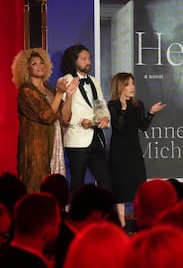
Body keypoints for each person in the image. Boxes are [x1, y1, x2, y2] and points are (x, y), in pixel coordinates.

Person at [11, 48, 77, 192]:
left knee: (55, 188)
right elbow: (47, 116)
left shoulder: (49, 89)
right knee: (37, 187)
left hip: (54, 143)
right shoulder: (26, 92)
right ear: (26, 68)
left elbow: (65, 118)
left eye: (41, 62)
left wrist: (69, 96)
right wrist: (60, 93)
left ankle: (55, 213)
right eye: (34, 63)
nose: (39, 66)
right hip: (37, 150)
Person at [107, 72, 165, 226]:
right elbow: (118, 127)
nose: (132, 87)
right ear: (120, 87)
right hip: (118, 152)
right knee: (119, 184)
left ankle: (140, 220)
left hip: (134, 150)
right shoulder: (113, 104)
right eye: (127, 84)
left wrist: (151, 113)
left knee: (138, 182)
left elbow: (143, 127)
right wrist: (124, 108)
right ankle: (121, 222)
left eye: (133, 83)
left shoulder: (138, 104)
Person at [59, 44, 112, 193]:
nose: (88, 61)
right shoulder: (65, 81)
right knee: (77, 182)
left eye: (89, 58)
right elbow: (63, 112)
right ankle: (75, 215)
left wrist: (105, 119)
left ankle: (102, 214)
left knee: (105, 180)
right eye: (83, 59)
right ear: (74, 61)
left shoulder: (94, 81)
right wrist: (80, 121)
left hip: (96, 138)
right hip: (76, 139)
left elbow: (101, 104)